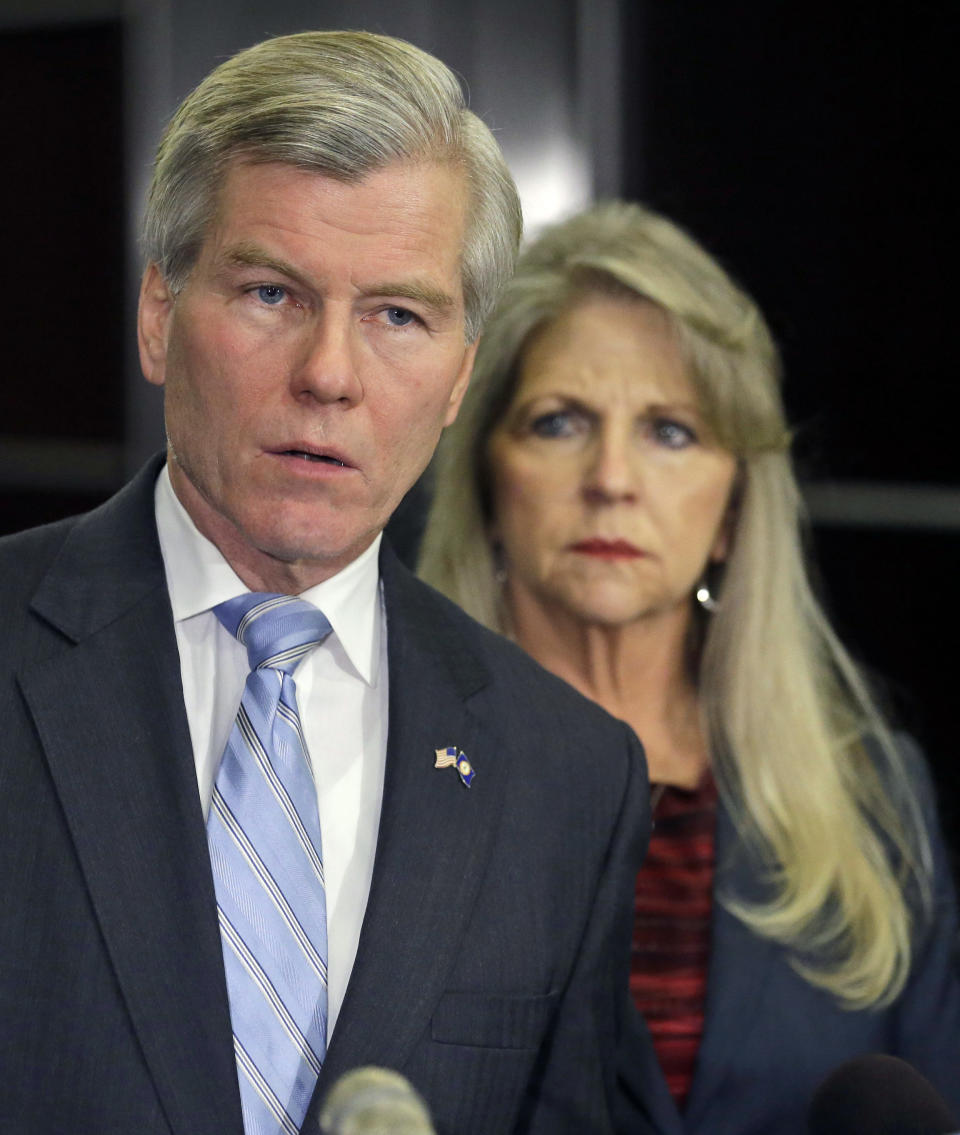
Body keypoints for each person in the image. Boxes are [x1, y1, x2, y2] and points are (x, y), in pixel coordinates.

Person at [0, 36, 656, 1135]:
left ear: (459, 376)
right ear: (160, 313)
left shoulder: (569, 779)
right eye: (272, 293)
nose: (330, 375)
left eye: (399, 315)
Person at [419, 200, 960, 1134]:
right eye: (559, 422)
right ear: (484, 476)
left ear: (734, 509)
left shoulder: (874, 798)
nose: (613, 478)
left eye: (671, 431)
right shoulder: (380, 772)